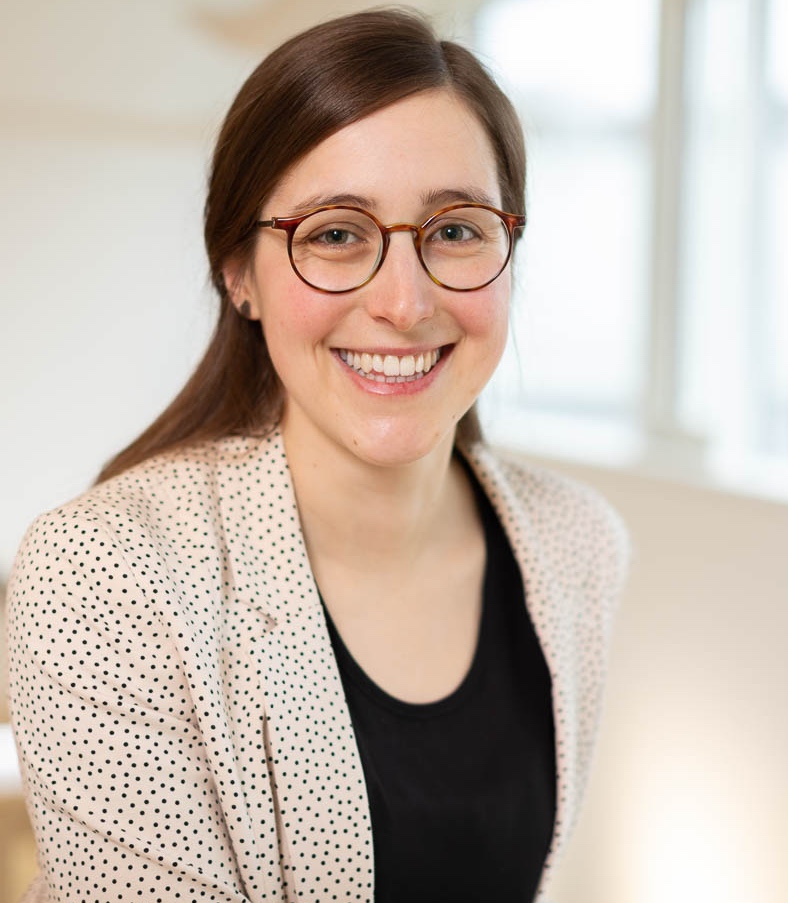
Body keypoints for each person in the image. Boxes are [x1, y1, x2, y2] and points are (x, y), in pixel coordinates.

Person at [7, 8, 628, 903]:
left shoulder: (577, 544)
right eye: (337, 233)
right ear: (239, 272)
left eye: (456, 229)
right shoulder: (103, 572)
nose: (404, 303)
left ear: (510, 250)